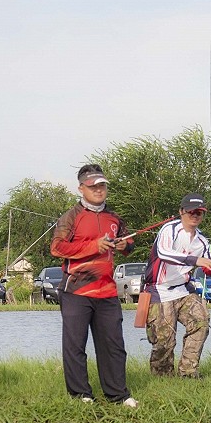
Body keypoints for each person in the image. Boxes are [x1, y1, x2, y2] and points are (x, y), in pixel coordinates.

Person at [50, 164, 138, 407]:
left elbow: (129, 243)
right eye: (93, 186)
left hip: (107, 291)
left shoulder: (114, 218)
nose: (99, 190)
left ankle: (118, 395)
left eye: (102, 185)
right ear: (81, 188)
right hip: (76, 290)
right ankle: (82, 395)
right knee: (75, 345)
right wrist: (92, 247)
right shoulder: (71, 217)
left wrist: (124, 246)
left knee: (114, 345)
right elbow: (57, 248)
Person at [143, 193, 211, 379]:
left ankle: (188, 373)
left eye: (199, 213)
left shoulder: (202, 241)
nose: (195, 216)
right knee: (164, 341)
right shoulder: (169, 230)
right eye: (191, 211)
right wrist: (197, 260)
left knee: (201, 322)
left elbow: (206, 269)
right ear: (181, 212)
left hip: (183, 290)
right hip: (158, 290)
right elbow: (164, 253)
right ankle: (162, 379)